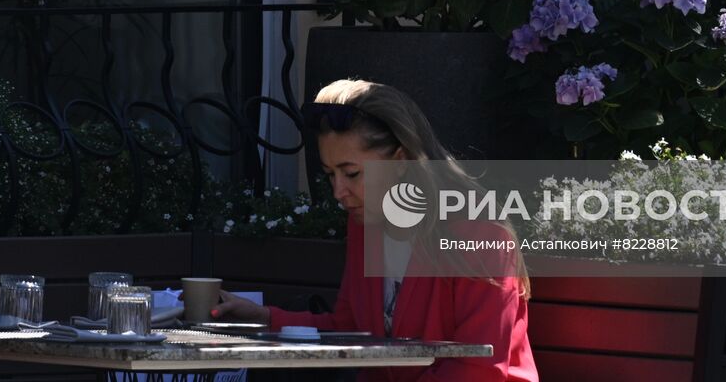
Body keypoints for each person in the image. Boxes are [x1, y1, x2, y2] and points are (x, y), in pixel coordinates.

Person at [212, 79, 537, 381]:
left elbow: (479, 368)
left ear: (400, 162)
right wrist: (264, 317)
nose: (338, 191)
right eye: (330, 175)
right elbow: (349, 327)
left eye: (351, 173)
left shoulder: (480, 235)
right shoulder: (365, 226)